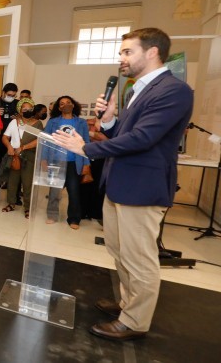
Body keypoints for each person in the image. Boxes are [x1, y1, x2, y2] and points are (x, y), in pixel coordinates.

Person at [52, 28, 193, 342]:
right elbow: (124, 136)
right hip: (120, 184)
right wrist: (111, 120)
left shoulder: (174, 91)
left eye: (128, 52)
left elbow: (143, 139)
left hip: (142, 187)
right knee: (120, 251)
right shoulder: (138, 90)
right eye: (121, 53)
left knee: (139, 258)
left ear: (152, 52)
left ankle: (134, 321)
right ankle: (129, 303)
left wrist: (86, 148)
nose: (122, 58)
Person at [43, 95, 90, 229]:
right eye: (62, 104)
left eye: (68, 102)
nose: (66, 105)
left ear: (73, 105)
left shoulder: (81, 122)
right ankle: (52, 215)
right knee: (54, 191)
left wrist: (87, 163)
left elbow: (86, 143)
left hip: (74, 162)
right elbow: (45, 141)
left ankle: (74, 218)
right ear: (59, 108)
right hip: (56, 161)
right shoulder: (53, 122)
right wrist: (44, 159)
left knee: (74, 191)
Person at [1, 98, 42, 217]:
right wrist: (9, 147)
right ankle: (11, 203)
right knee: (12, 181)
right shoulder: (14, 122)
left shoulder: (37, 123)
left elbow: (39, 140)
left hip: (29, 155)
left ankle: (28, 207)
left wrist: (24, 147)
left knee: (27, 183)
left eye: (30, 108)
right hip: (14, 155)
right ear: (20, 110)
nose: (27, 110)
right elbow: (5, 137)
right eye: (25, 109)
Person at [0, 83, 19, 200]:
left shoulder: (18, 104)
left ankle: (14, 195)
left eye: (13, 95)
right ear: (3, 92)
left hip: (12, 140)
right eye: (9, 95)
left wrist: (18, 118)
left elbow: (25, 120)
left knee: (13, 166)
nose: (11, 97)